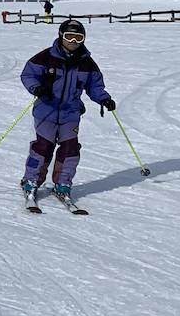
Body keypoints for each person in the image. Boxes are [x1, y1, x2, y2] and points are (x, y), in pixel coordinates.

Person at [19, 19, 114, 201]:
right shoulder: (45, 57)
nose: (73, 41)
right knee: (43, 147)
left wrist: (104, 98)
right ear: (61, 36)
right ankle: (31, 180)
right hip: (46, 111)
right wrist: (36, 88)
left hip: (71, 113)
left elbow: (95, 85)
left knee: (70, 149)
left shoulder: (87, 63)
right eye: (69, 36)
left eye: (78, 38)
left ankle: (63, 183)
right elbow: (28, 74)